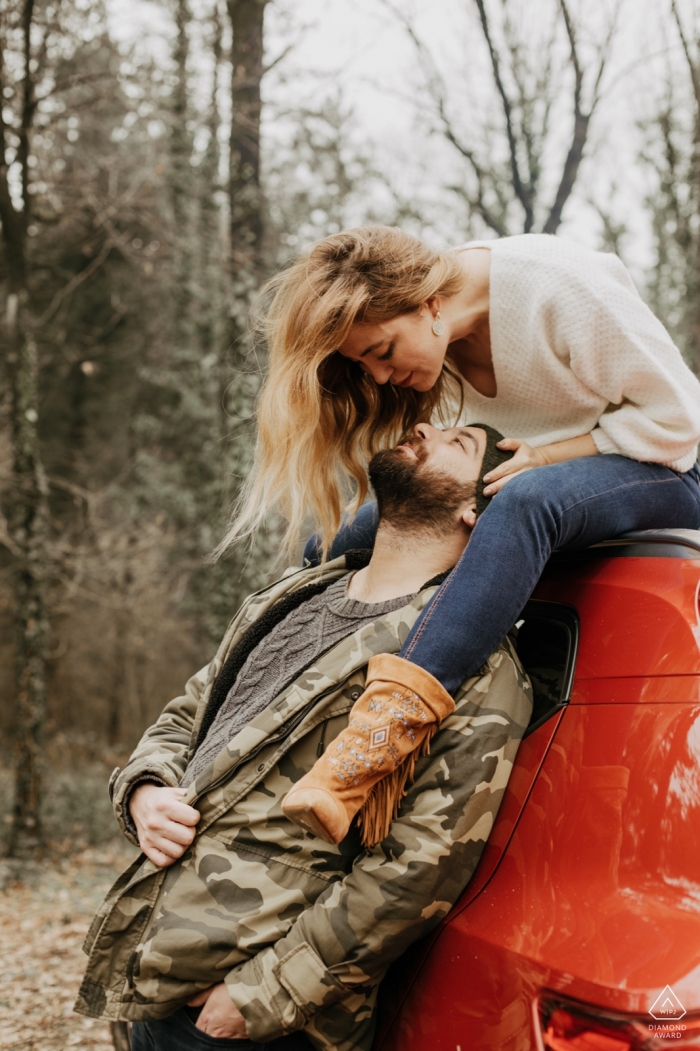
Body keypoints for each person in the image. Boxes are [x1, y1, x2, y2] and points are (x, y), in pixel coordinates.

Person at [75, 424, 532, 1051]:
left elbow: (421, 866)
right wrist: (145, 791)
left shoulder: (472, 662)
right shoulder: (298, 594)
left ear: (474, 510)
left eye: (460, 443)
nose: (424, 426)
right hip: (157, 972)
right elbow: (190, 712)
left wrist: (262, 993)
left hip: (258, 1019)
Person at [218, 227, 700, 702]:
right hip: (523, 475)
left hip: (666, 467)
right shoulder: (436, 340)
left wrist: (549, 457)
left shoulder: (557, 287)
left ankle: (387, 724)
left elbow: (679, 422)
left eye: (383, 352)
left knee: (527, 501)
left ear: (430, 303)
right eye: (366, 366)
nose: (382, 376)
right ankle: (258, 691)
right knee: (339, 542)